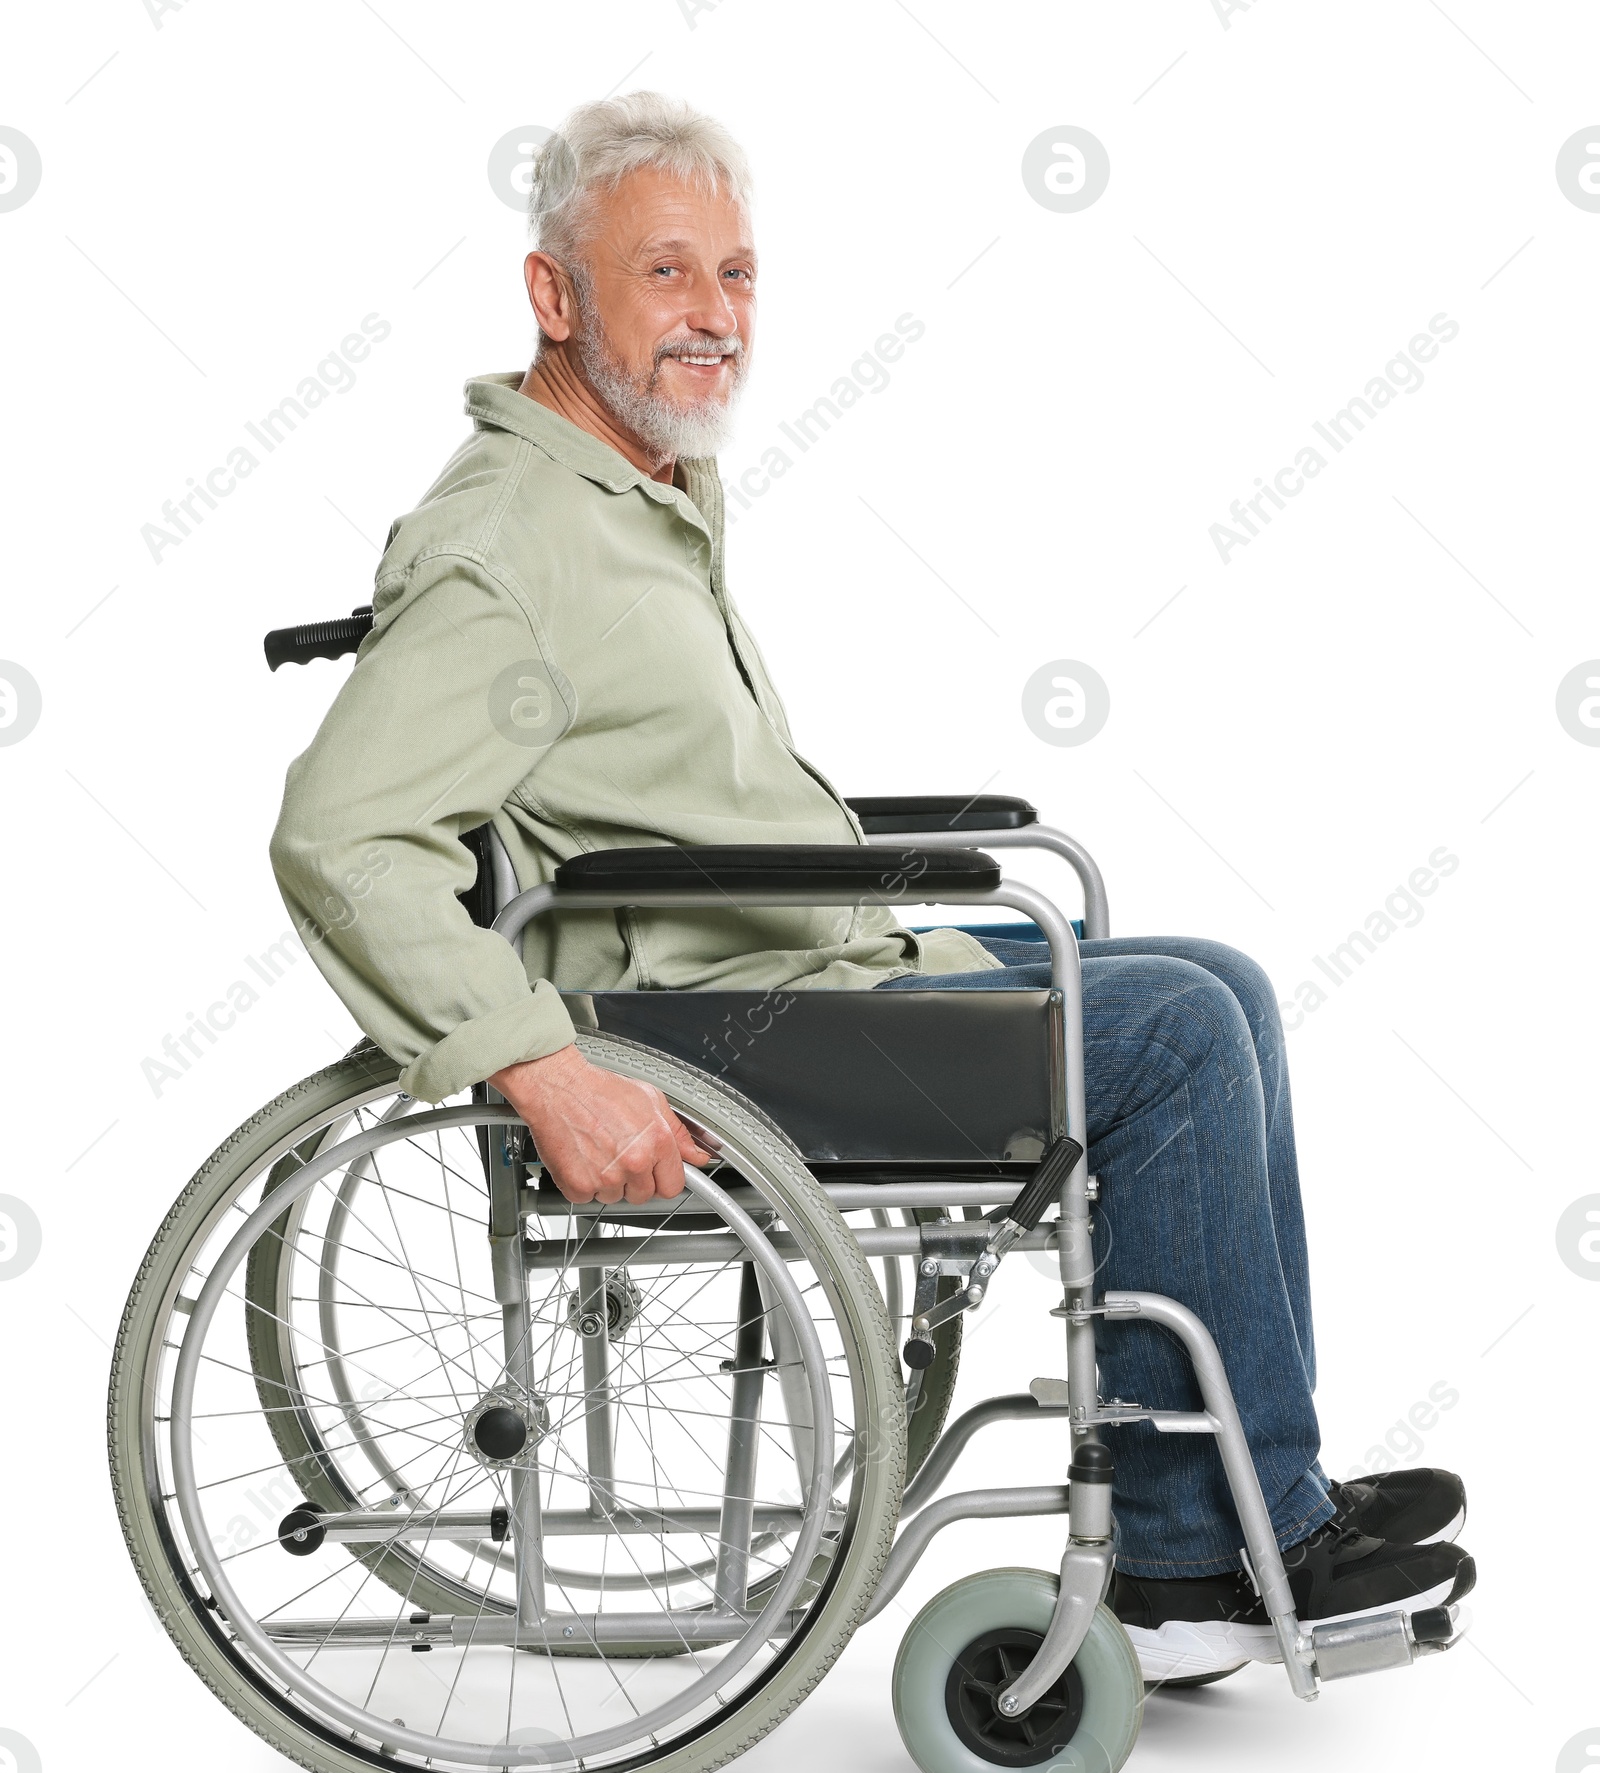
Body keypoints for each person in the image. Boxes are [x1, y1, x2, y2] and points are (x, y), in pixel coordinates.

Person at [270, 92, 1473, 1681]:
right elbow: (342, 835)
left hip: (787, 973)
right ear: (555, 295)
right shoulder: (514, 545)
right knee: (1173, 1026)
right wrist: (538, 1064)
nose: (716, 318)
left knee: (1215, 981)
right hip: (715, 1031)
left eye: (741, 277)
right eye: (668, 275)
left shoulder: (629, 493)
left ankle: (1248, 1493)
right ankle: (1197, 1552)